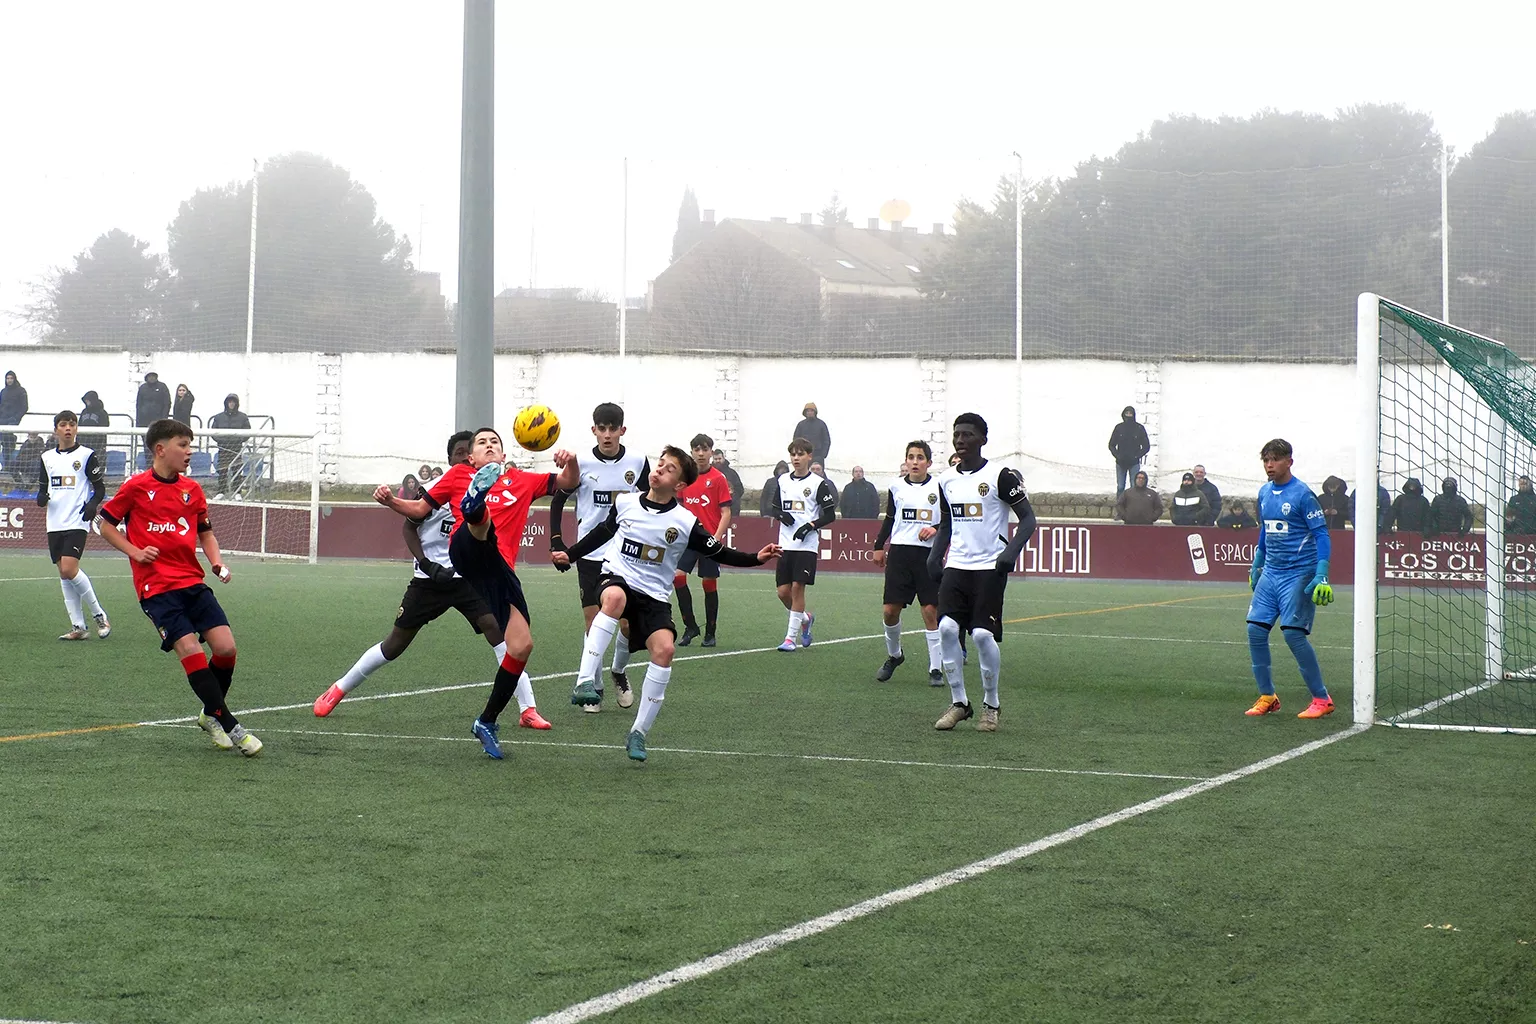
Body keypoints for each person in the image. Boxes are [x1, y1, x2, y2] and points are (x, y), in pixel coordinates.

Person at [553, 445, 780, 762]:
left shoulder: (685, 521)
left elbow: (719, 552)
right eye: (659, 464)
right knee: (614, 598)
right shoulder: (627, 503)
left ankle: (638, 733)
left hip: (654, 597)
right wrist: (572, 553)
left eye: (668, 468)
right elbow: (602, 533)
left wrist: (757, 558)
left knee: (665, 650)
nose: (658, 469)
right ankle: (584, 681)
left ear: (680, 485)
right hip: (616, 577)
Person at [374, 426, 577, 758]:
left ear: (503, 455)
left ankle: (487, 721)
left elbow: (568, 483)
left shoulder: (524, 481)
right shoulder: (457, 475)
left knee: (521, 645)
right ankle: (475, 507)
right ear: (472, 457)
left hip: (498, 574)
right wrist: (390, 500)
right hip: (466, 549)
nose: (488, 445)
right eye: (481, 442)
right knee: (479, 526)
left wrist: (571, 460)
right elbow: (418, 512)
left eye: (494, 442)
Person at [313, 432, 520, 720]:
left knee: (498, 632)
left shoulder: (487, 488)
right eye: (459, 454)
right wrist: (427, 564)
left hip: (467, 577)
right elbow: (410, 527)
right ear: (451, 460)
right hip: (430, 580)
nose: (463, 459)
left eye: (467, 452)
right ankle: (337, 689)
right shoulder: (437, 488)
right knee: (395, 644)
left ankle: (528, 709)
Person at [97, 418, 261, 755]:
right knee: (190, 649)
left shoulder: (193, 489)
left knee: (226, 649)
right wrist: (135, 551)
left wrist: (216, 561)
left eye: (190, 445)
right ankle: (230, 724)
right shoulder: (136, 487)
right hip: (155, 588)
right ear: (161, 450)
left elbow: (206, 531)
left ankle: (209, 713)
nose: (190, 451)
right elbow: (105, 525)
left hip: (192, 582)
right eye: (183, 445)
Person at [927, 413, 1037, 732]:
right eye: (957, 434)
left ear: (982, 439)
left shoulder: (1000, 476)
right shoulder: (946, 480)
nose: (960, 440)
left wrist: (1008, 554)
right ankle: (959, 702)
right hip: (957, 566)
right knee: (947, 628)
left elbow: (1028, 520)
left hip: (989, 567)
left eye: (968, 434)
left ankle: (991, 705)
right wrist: (936, 556)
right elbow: (947, 523)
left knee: (981, 634)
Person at [547, 402, 649, 711]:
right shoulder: (581, 463)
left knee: (628, 626)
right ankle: (595, 685)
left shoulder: (638, 462)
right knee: (593, 623)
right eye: (601, 429)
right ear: (594, 430)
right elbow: (557, 501)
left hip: (626, 555)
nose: (607, 435)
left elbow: (651, 502)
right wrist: (556, 542)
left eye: (612, 429)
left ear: (622, 430)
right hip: (589, 554)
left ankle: (618, 671)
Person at [1245, 438, 1336, 720]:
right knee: (1255, 631)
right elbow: (1265, 531)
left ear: (1289, 462)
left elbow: (1322, 534)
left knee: (1293, 634)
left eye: (1274, 460)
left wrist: (1321, 573)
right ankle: (1268, 696)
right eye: (1266, 460)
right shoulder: (1263, 493)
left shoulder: (1302, 495)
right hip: (1271, 572)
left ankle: (1322, 698)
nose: (1269, 465)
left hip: (1299, 573)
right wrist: (1257, 563)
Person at [871, 440, 944, 685]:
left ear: (928, 463)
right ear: (906, 461)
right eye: (911, 457)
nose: (915, 461)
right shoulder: (896, 486)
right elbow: (890, 518)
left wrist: (934, 528)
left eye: (920, 457)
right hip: (900, 553)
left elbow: (949, 520)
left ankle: (936, 668)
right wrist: (879, 546)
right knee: (890, 611)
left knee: (930, 610)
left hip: (927, 556)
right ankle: (895, 655)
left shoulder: (940, 486)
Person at [38, 410, 111, 640]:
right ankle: (78, 627)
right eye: (63, 425)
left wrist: (93, 504)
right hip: (54, 521)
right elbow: (43, 488)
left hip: (77, 520)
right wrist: (41, 497)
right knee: (63, 573)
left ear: (76, 428)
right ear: (56, 430)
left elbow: (100, 488)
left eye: (71, 424)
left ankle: (99, 615)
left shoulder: (87, 455)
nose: (67, 428)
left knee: (70, 568)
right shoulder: (46, 458)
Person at [774, 438, 837, 652]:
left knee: (797, 588)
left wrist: (810, 525)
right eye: (793, 454)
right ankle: (805, 618)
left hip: (806, 545)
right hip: (785, 543)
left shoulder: (818, 484)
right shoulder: (782, 480)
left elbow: (830, 515)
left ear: (809, 456)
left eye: (800, 454)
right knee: (783, 592)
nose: (796, 458)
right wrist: (782, 515)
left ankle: (790, 639)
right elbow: (773, 507)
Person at [675, 432, 733, 648]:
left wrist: (716, 539)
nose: (700, 453)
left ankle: (710, 632)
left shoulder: (718, 478)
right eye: (696, 449)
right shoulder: (685, 477)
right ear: (691, 452)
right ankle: (690, 626)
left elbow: (726, 512)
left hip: (709, 540)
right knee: (678, 577)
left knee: (709, 583)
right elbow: (680, 507)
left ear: (711, 452)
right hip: (689, 539)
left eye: (704, 449)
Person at [208, 394, 251, 497]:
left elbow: (248, 432)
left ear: (236, 403)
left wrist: (238, 440)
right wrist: (222, 441)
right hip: (223, 448)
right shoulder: (218, 417)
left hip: (236, 448)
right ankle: (221, 491)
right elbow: (213, 432)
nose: (231, 404)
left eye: (233, 402)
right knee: (222, 470)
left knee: (237, 469)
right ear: (226, 403)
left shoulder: (243, 417)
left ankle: (237, 492)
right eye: (229, 402)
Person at [1107, 405, 1149, 497]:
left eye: (1130, 413)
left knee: (1134, 487)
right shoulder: (1119, 428)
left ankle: (1133, 508)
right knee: (1120, 487)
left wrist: (1136, 456)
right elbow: (1111, 445)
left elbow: (1146, 446)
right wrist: (1118, 456)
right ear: (1123, 414)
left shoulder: (1139, 428)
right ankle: (1120, 508)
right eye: (1127, 413)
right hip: (1120, 462)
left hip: (1134, 463)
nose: (1129, 415)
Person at [792, 401, 831, 468]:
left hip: (818, 454)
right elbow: (796, 440)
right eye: (808, 411)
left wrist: (823, 455)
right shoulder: (801, 425)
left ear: (815, 412)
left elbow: (826, 440)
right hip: (803, 454)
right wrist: (798, 453)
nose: (810, 413)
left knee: (818, 475)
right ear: (805, 413)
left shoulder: (821, 424)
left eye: (811, 411)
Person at [0, 370, 28, 463]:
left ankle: (8, 465)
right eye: (7, 378)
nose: (9, 380)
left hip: (12, 420)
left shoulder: (21, 391)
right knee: (5, 442)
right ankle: (6, 465)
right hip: (2, 420)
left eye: (11, 378)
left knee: (8, 443)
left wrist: (16, 418)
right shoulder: (3, 391)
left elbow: (24, 407)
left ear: (15, 379)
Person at [77, 390, 110, 456]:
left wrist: (98, 442)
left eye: (88, 400)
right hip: (83, 444)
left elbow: (104, 427)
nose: (87, 402)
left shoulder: (102, 413)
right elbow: (79, 426)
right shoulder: (84, 412)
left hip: (97, 446)